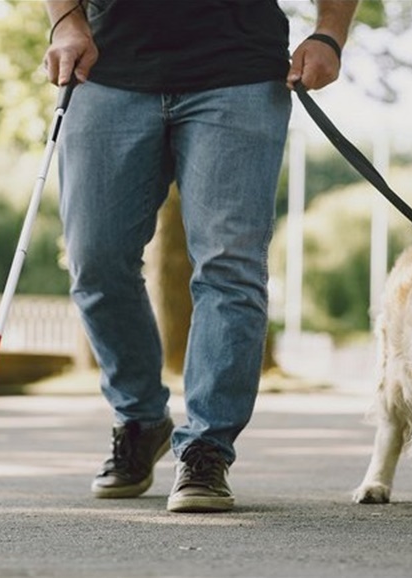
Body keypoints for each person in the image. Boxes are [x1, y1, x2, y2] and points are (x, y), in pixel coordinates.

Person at [41, 0, 359, 513]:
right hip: (107, 68)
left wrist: (329, 33)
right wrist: (66, 21)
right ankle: (141, 420)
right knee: (95, 261)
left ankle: (207, 447)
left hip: (239, 73)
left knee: (229, 267)